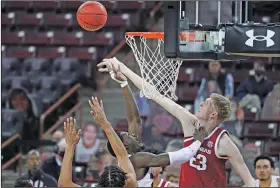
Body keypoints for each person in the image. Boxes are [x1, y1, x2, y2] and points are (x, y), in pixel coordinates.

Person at [97, 57, 255, 186]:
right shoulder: (189, 122)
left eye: (206, 103)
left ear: (213, 114)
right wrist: (122, 68)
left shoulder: (224, 142)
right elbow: (155, 95)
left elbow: (249, 182)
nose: (200, 103)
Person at [58, 114, 137, 187]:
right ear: (125, 183)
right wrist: (106, 124)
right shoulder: (132, 184)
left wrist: (70, 146)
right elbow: (122, 155)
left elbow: (63, 184)